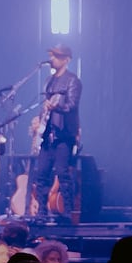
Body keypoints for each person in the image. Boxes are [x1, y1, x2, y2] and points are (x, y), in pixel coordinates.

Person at [30, 41, 82, 224]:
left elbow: (72, 105)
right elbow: (45, 107)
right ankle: (42, 212)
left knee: (62, 172)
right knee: (41, 174)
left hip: (64, 135)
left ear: (66, 59)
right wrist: (38, 121)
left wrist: (56, 106)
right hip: (47, 134)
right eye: (52, 55)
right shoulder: (49, 81)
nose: (52, 58)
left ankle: (68, 211)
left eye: (56, 56)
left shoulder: (73, 81)